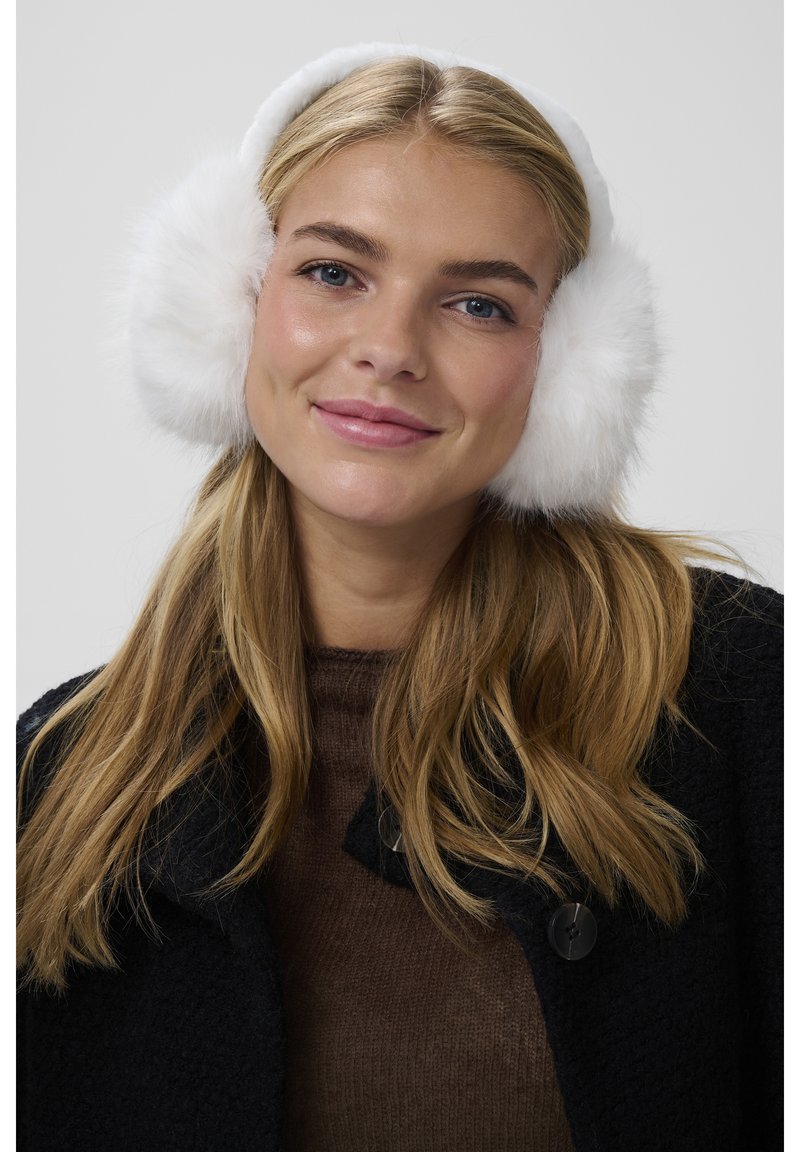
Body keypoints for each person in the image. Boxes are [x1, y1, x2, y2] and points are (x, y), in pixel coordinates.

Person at [16, 42, 782, 1152]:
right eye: (333, 272)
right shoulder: (59, 774)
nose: (387, 350)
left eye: (476, 303)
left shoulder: (739, 694)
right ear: (232, 303)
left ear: (564, 369)